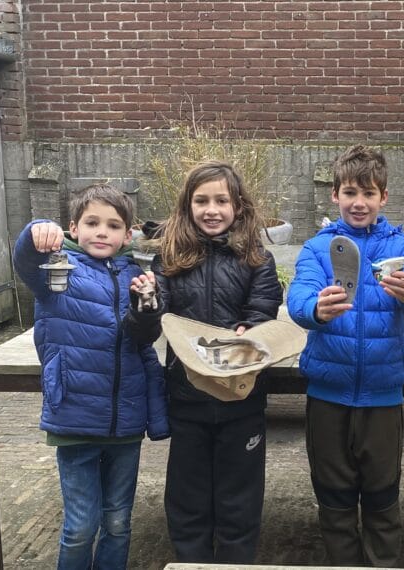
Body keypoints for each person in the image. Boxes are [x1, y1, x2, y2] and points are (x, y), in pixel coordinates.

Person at [286, 145, 404, 566]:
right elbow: (299, 293)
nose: (359, 202)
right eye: (351, 192)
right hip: (328, 396)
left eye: (369, 193)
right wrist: (315, 308)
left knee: (382, 496)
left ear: (383, 198)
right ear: (335, 195)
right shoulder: (319, 248)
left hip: (382, 396)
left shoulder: (401, 244)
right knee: (333, 499)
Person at [124, 161, 283, 563]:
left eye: (221, 200)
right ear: (187, 206)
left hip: (242, 398)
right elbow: (150, 328)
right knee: (187, 496)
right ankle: (192, 561)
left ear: (238, 206)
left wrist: (251, 329)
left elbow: (263, 309)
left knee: (240, 499)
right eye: (201, 201)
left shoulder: (258, 260)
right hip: (188, 397)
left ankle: (235, 563)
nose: (211, 209)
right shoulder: (170, 260)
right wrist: (145, 305)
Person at [11, 183, 169, 570]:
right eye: (92, 222)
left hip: (125, 422)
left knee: (117, 522)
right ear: (73, 228)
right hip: (76, 418)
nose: (103, 232)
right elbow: (25, 260)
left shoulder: (136, 274)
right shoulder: (57, 268)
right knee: (81, 526)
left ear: (128, 234)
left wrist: (148, 307)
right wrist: (36, 231)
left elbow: (143, 337)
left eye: (113, 225)